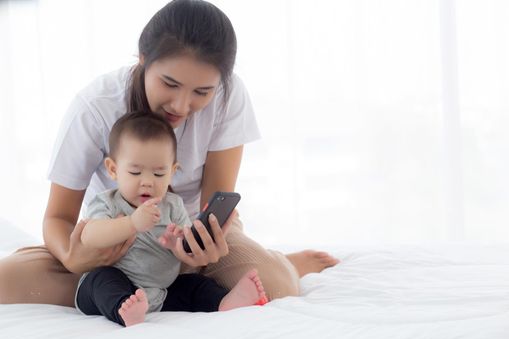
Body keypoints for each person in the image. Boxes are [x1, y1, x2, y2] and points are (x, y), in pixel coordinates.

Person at [0, 0, 338, 307]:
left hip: (187, 236)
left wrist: (202, 249)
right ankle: (158, 284)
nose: (181, 105)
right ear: (142, 60)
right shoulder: (95, 108)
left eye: (202, 91)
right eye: (170, 84)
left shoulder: (229, 98)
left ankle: (274, 264)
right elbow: (58, 218)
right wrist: (73, 258)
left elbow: (214, 208)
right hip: (111, 242)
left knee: (275, 286)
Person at [76, 111, 267, 327]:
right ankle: (123, 309)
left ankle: (224, 301)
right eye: (135, 172)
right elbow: (90, 236)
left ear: (172, 172)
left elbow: (187, 248)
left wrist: (179, 246)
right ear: (113, 169)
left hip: (161, 291)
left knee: (195, 284)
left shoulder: (173, 205)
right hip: (115, 283)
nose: (147, 182)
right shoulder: (107, 202)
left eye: (159, 174)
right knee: (102, 280)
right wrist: (131, 223)